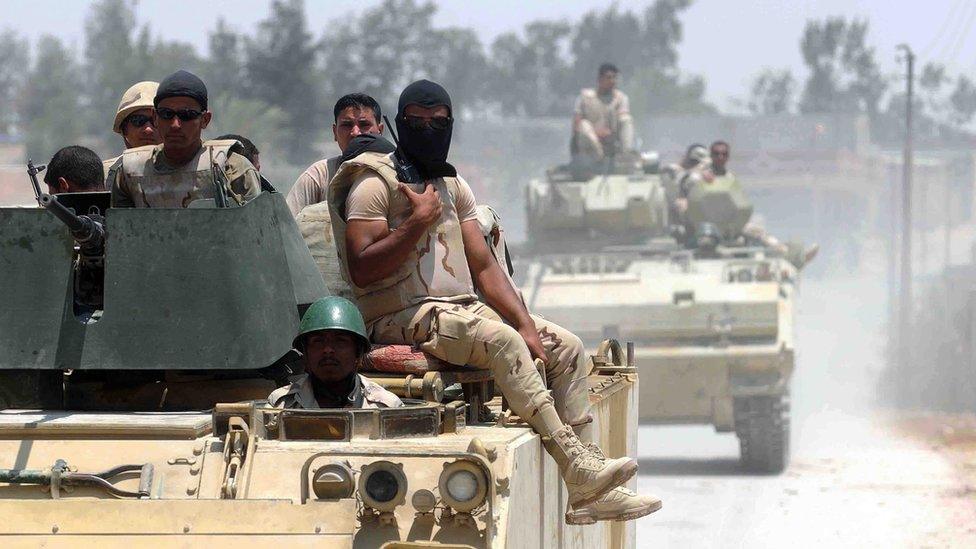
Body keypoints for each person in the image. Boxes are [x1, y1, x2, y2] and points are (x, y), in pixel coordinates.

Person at [328, 79, 660, 524]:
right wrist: (417, 222)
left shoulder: (450, 185)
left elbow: (485, 267)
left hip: (459, 310)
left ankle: (590, 488)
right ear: (397, 124)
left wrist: (526, 324)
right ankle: (576, 465)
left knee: (568, 347)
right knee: (504, 342)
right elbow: (361, 268)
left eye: (439, 123)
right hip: (397, 316)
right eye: (417, 123)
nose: (429, 131)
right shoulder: (374, 183)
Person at [110, 70, 262, 208]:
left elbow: (257, 230)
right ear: (156, 117)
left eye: (187, 115)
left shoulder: (233, 169)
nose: (175, 125)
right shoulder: (130, 172)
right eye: (166, 114)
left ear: (205, 119)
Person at [269, 296, 402, 409]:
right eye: (318, 341)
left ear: (358, 353)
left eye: (340, 341)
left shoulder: (385, 408)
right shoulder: (280, 406)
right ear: (305, 353)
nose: (328, 349)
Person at [286, 93, 385, 216]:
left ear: (380, 130)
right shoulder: (320, 175)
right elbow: (286, 225)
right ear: (335, 132)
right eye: (347, 125)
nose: (355, 133)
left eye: (364, 125)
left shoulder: (395, 173)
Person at [572, 63, 634, 163]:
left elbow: (622, 120)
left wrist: (609, 133)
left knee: (626, 119)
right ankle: (597, 159)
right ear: (600, 79)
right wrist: (595, 133)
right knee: (583, 125)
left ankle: (626, 156)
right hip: (589, 147)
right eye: (609, 78)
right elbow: (576, 125)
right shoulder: (584, 98)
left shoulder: (621, 98)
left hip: (611, 142)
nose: (612, 81)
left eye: (614, 78)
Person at [103, 81, 162, 185]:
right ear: (124, 129)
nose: (148, 129)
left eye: (155, 120)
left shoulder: (192, 172)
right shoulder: (103, 176)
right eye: (138, 120)